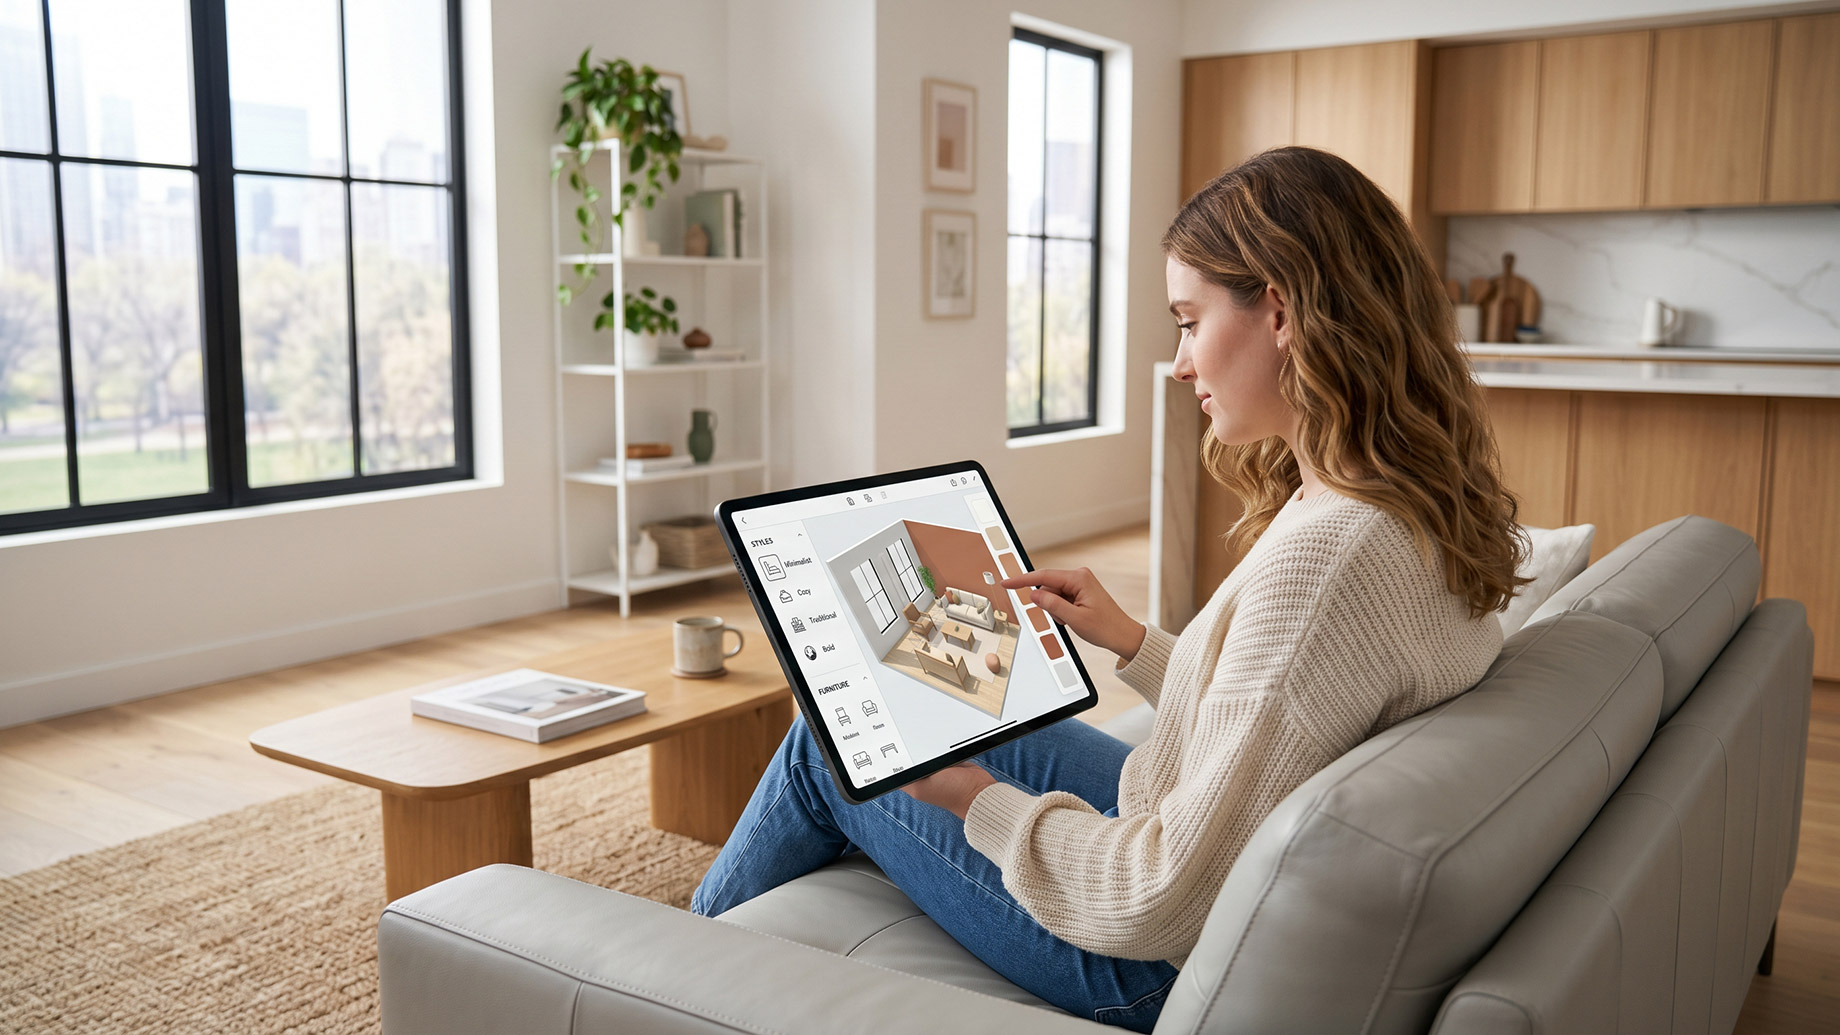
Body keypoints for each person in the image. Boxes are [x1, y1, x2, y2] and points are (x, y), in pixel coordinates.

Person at [690, 146, 1527, 1031]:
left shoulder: (1329, 560)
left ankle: (654, 979)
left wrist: (975, 800)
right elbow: (1292, 711)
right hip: (1188, 854)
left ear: (1279, 309)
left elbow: (1160, 899)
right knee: (972, 714)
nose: (1178, 363)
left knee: (833, 749)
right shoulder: (1389, 499)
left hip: (1144, 959)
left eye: (1189, 320)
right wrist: (1133, 640)